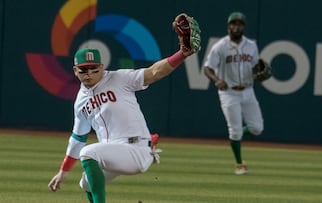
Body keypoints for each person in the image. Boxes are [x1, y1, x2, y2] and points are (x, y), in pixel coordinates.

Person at [48, 16, 200, 202]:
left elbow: (153, 72)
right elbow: (78, 137)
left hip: (134, 149)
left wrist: (182, 54)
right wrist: (63, 172)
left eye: (94, 68)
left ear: (102, 67)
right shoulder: (80, 101)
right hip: (113, 152)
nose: (89, 73)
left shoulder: (119, 78)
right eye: (83, 69)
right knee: (85, 183)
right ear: (75, 71)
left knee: (88, 153)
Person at [203, 11, 264, 175]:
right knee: (235, 130)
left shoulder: (251, 45)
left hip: (248, 90)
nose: (236, 26)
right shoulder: (220, 46)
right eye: (233, 23)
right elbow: (207, 68)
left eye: (239, 24)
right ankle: (239, 164)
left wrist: (260, 72)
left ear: (243, 27)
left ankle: (236, 137)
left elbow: (256, 67)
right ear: (228, 26)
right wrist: (216, 80)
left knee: (257, 128)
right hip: (228, 92)